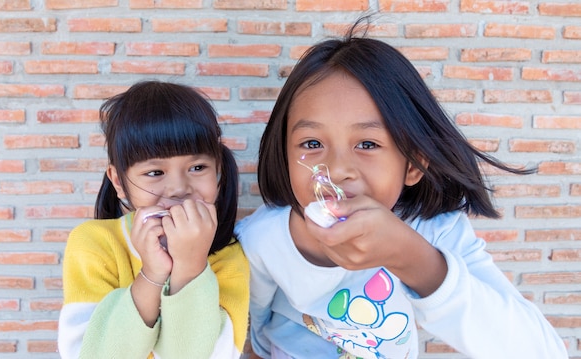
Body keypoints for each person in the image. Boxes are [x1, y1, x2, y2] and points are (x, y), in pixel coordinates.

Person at [235, 17, 568, 359]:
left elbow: (541, 351)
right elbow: (257, 330)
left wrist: (416, 261)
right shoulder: (261, 238)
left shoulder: (435, 233)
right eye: (312, 142)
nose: (336, 170)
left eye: (367, 144)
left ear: (411, 164)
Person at [57, 81, 249, 359]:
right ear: (119, 182)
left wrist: (191, 265)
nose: (179, 188)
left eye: (197, 167)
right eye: (155, 172)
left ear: (218, 172)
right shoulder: (93, 243)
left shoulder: (228, 256)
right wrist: (152, 275)